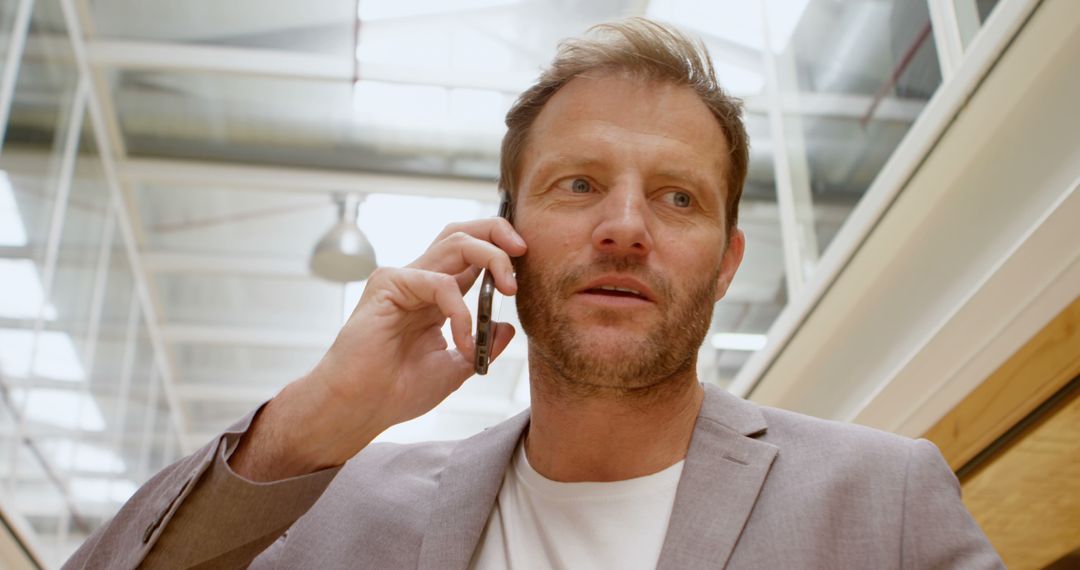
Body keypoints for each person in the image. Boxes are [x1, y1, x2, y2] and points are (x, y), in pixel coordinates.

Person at [64, 18, 1002, 570]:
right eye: (579, 184)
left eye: (678, 198)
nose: (625, 226)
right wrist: (310, 424)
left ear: (726, 261)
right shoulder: (350, 512)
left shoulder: (885, 501)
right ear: (501, 239)